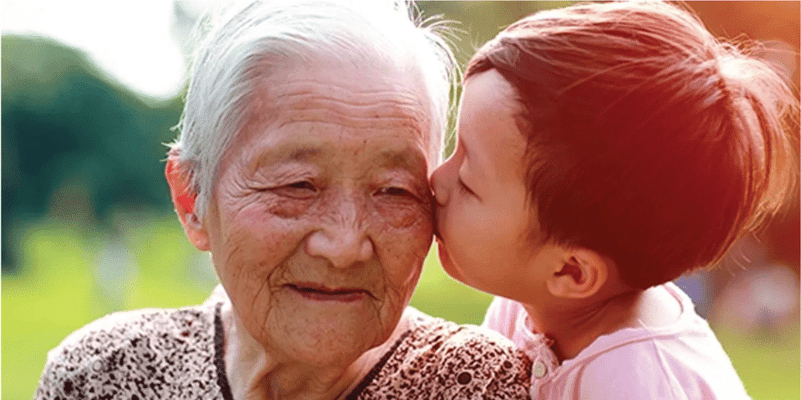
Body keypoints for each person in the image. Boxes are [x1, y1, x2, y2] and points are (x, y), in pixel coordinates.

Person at [35, 1, 532, 399]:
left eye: (394, 190)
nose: (344, 245)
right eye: (298, 186)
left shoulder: (476, 384)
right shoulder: (105, 375)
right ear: (191, 198)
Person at [430, 2, 797, 399]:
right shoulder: (530, 305)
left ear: (572, 272)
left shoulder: (636, 385)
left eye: (467, 182)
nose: (436, 180)